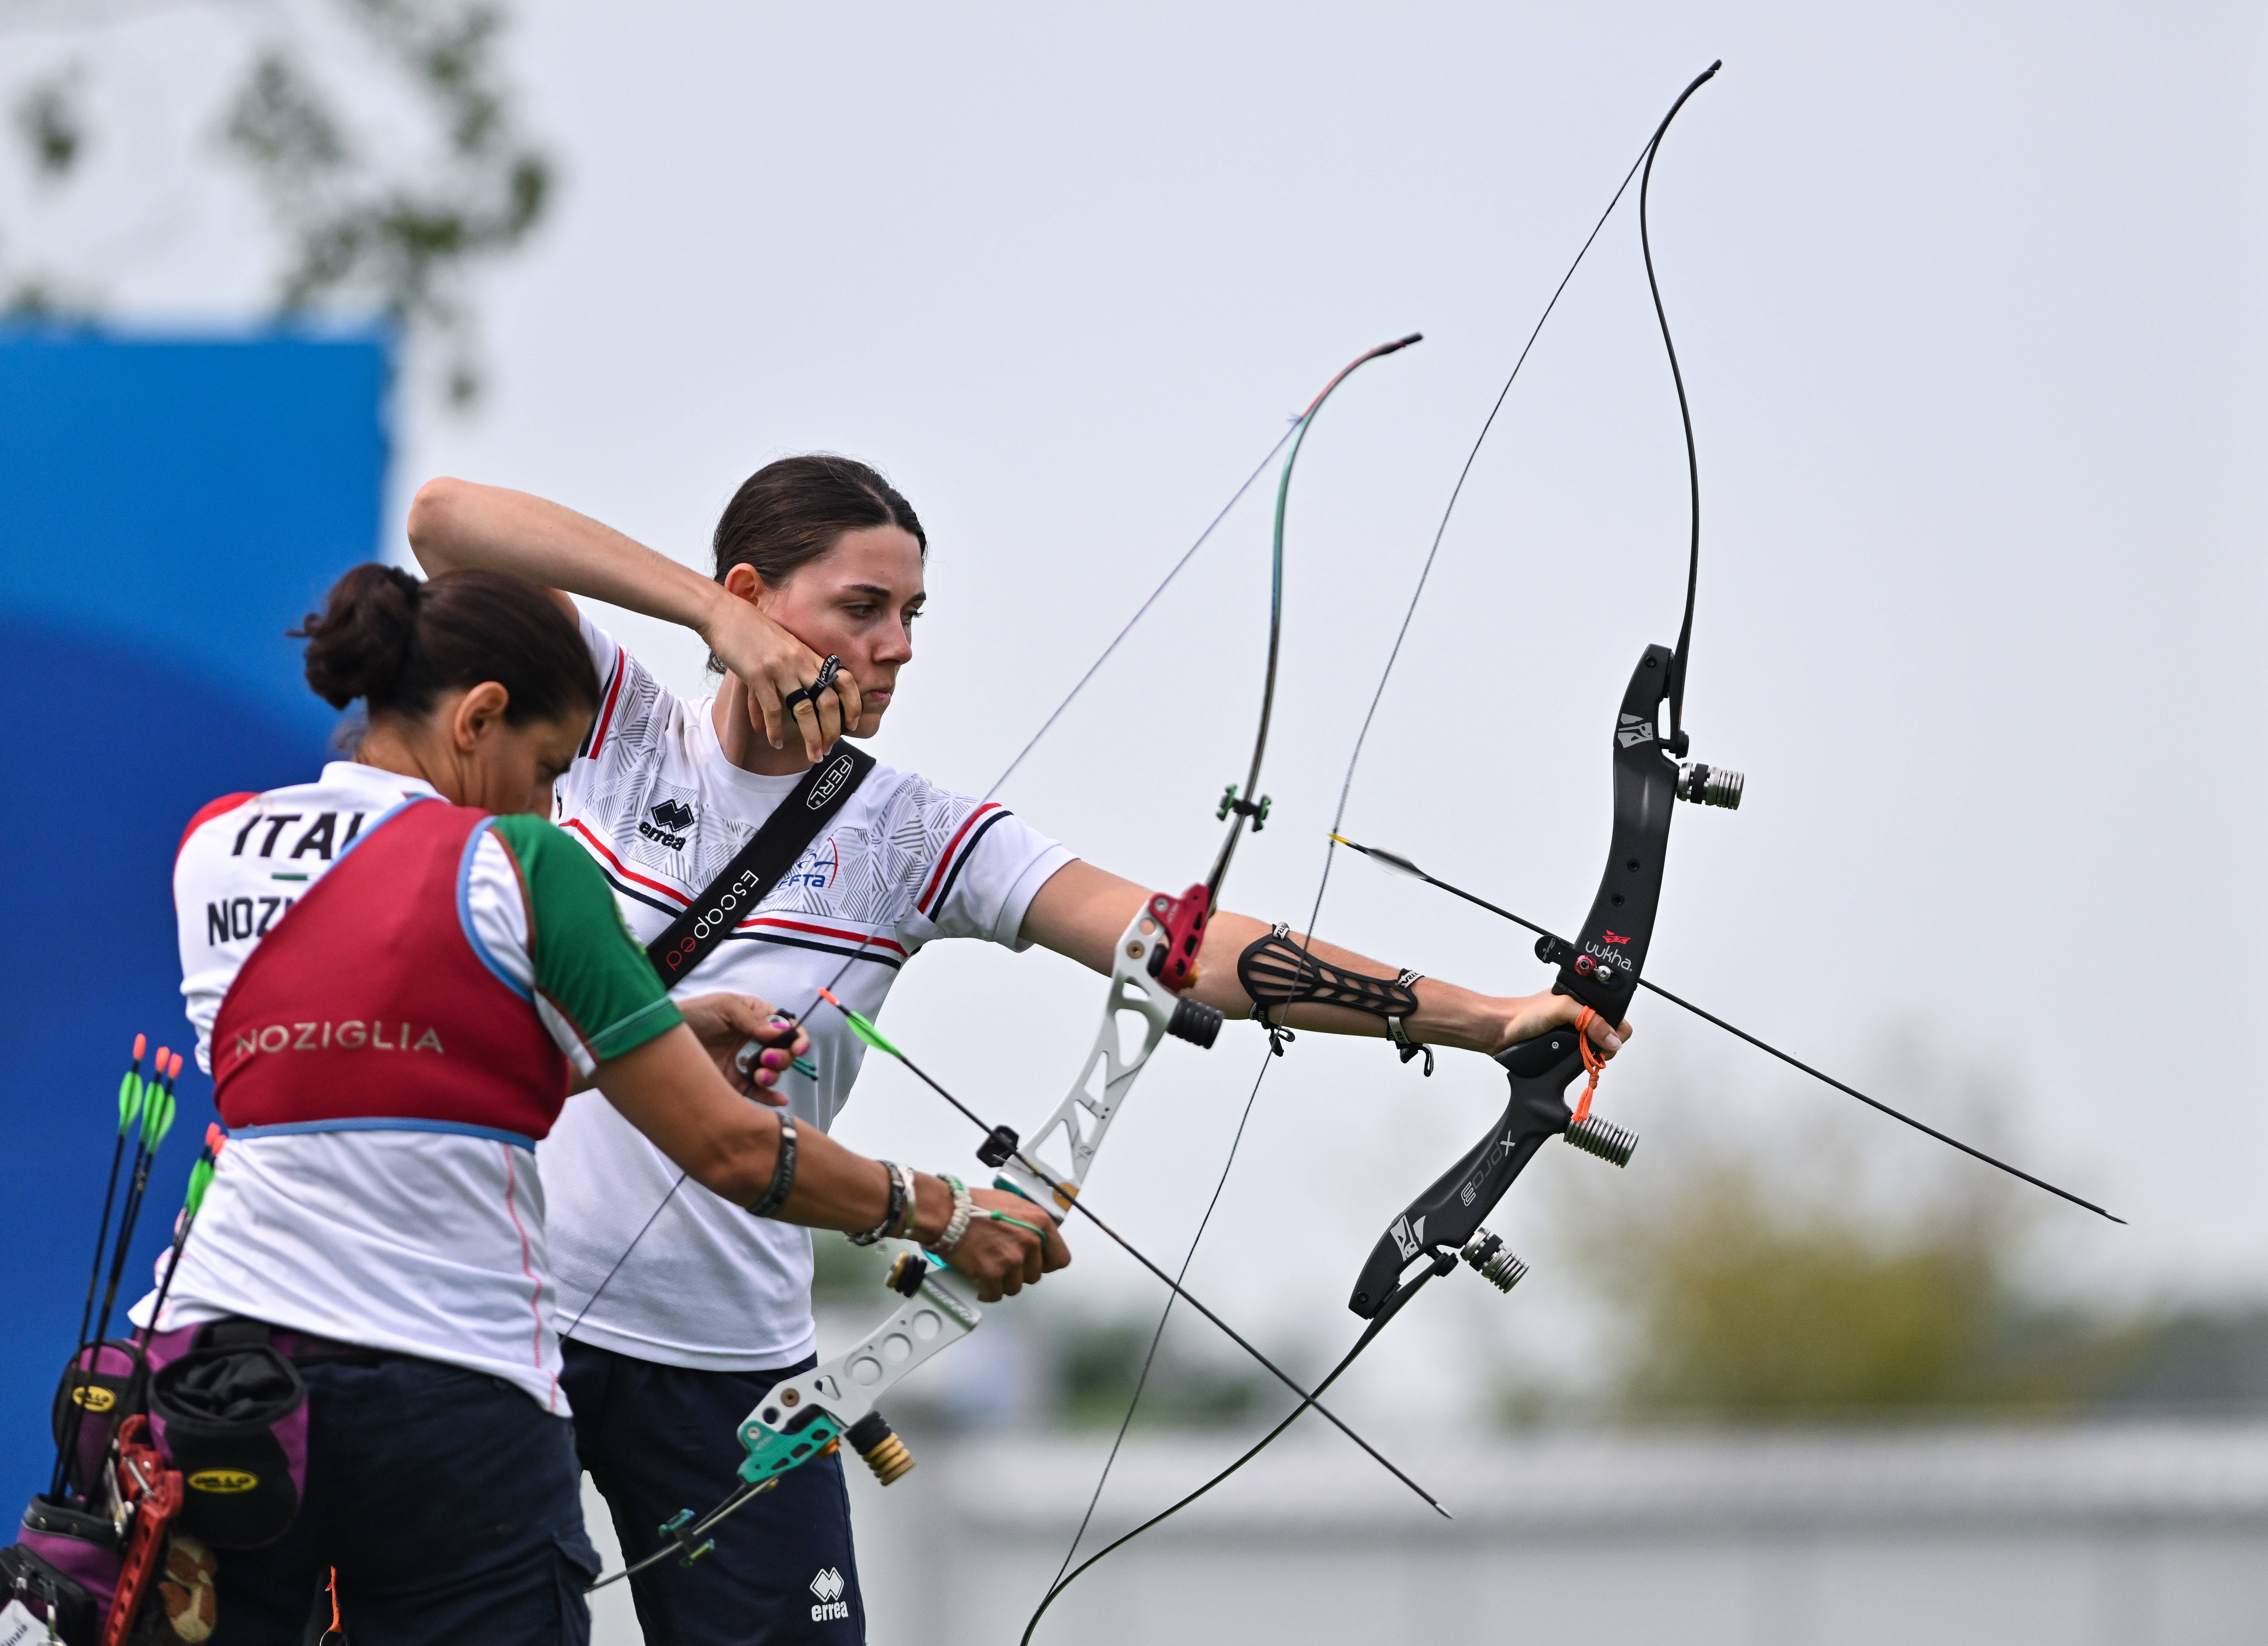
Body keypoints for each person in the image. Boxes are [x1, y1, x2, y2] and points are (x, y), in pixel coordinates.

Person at [408, 457, 1632, 1646]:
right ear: (750, 593)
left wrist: (1477, 1015)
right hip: (514, 1321)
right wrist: (707, 622)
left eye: (912, 615)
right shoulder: (616, 727)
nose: (896, 647)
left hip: (740, 1374)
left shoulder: (909, 832)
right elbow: (446, 522)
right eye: (862, 608)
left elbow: (1180, 945)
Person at [150, 563, 1065, 1645]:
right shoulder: (527, 863)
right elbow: (729, 1149)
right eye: (546, 766)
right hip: (447, 1400)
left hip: (215, 1367)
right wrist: (949, 1211)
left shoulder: (216, 844)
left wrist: (658, 1037)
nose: (548, 802)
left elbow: (391, 1062)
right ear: (479, 715)